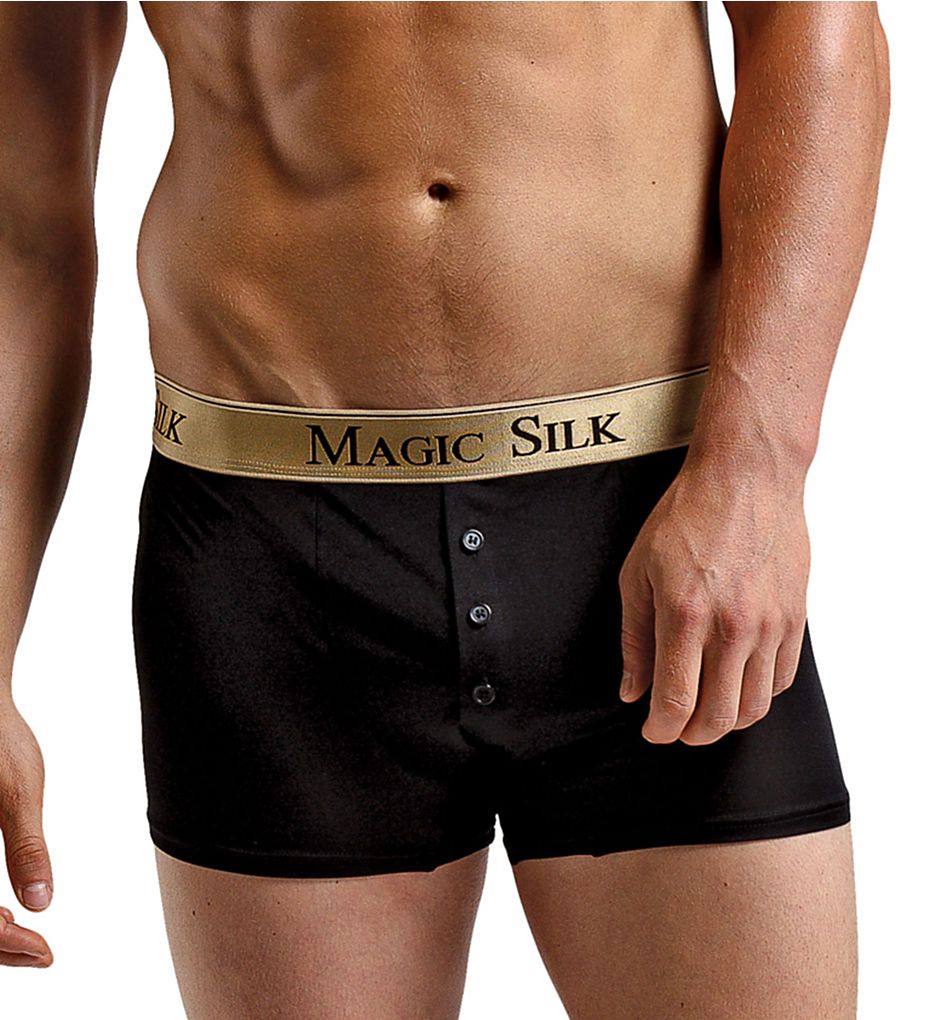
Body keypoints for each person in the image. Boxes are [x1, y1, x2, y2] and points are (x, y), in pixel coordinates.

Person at [0, 2, 889, 1016]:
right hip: (275, 560)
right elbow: (21, 230)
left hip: (650, 530)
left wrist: (754, 475)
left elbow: (814, 24)